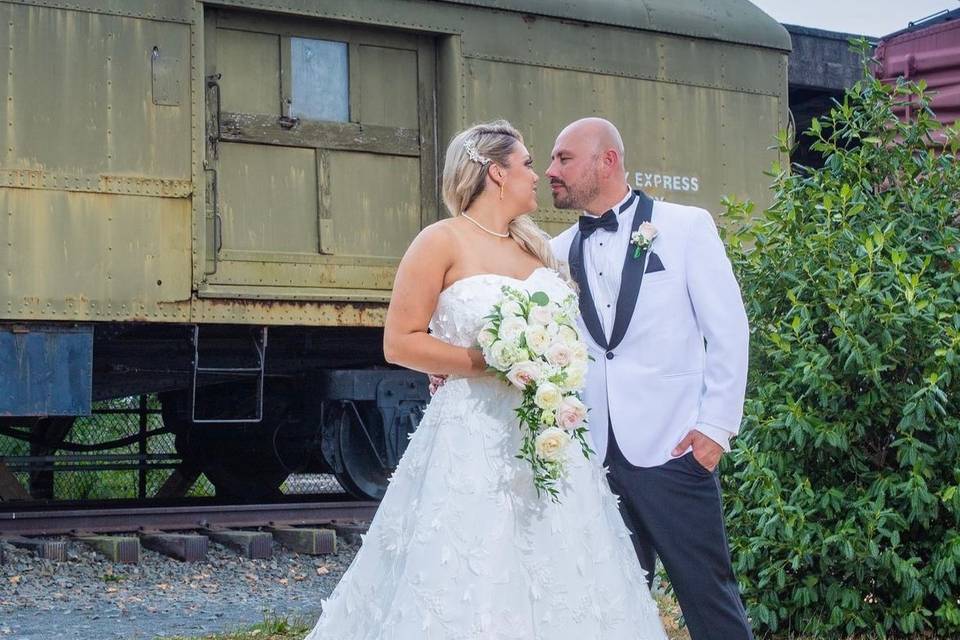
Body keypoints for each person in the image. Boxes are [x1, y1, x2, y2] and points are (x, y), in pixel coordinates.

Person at [304, 120, 667, 639]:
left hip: (550, 438)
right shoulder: (440, 241)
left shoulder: (540, 249)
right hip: (473, 437)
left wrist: (551, 365)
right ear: (496, 173)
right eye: (525, 164)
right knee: (471, 567)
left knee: (562, 567)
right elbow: (399, 342)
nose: (538, 174)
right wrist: (488, 361)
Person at [548, 117, 753, 640]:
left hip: (674, 451)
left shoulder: (686, 227)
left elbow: (728, 330)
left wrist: (715, 429)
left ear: (607, 160)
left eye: (564, 159)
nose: (551, 171)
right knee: (613, 611)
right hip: (593, 458)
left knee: (710, 600)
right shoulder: (555, 251)